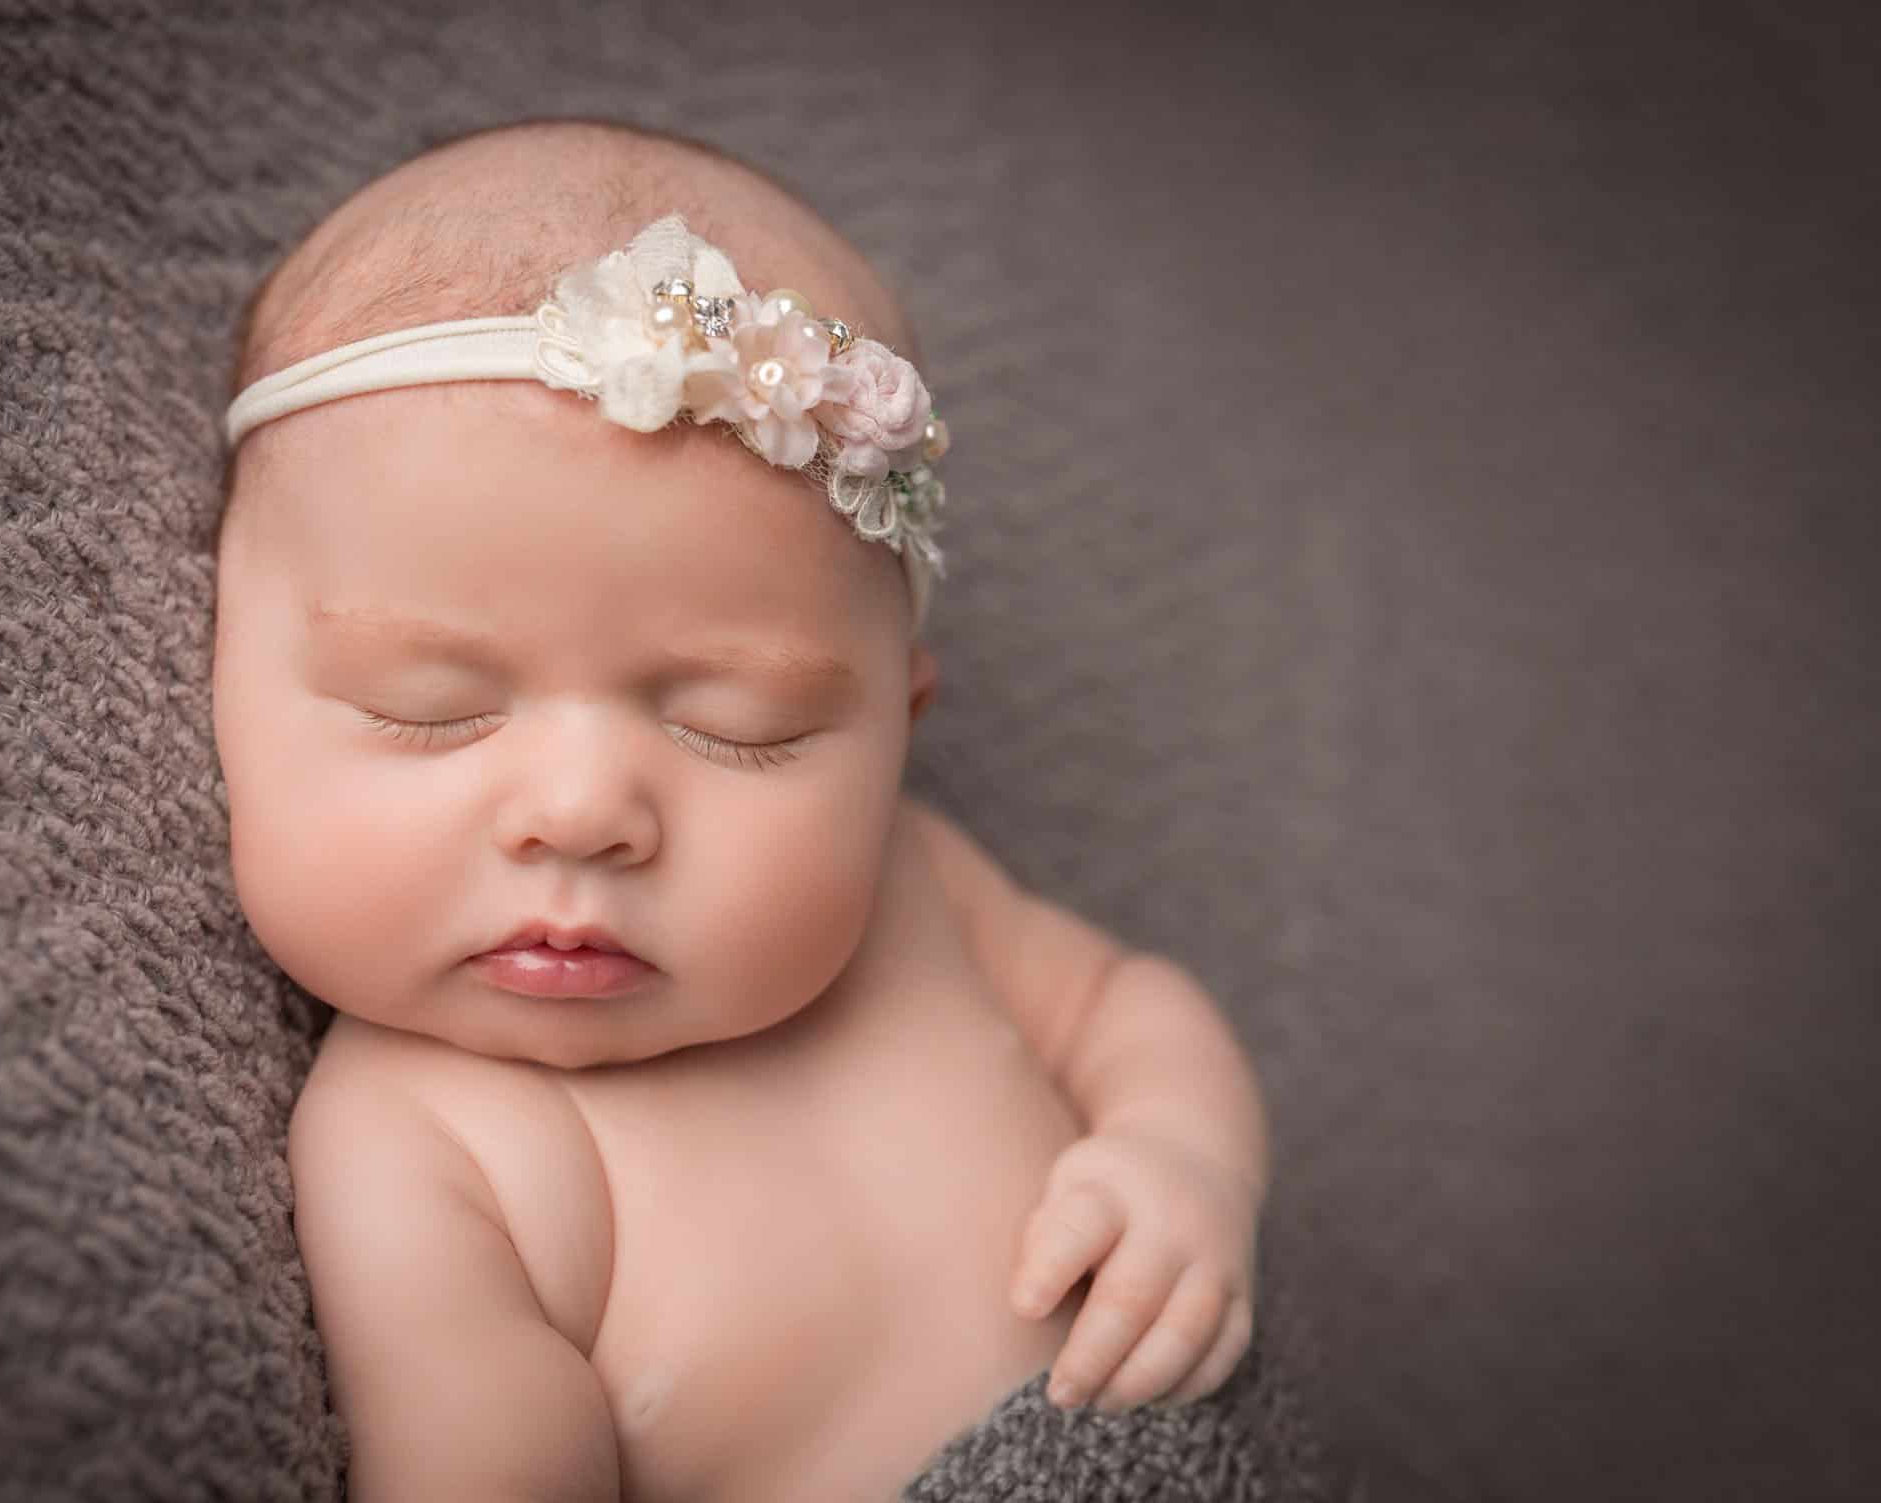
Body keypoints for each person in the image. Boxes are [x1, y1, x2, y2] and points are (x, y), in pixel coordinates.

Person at [211, 117, 1271, 1502]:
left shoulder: (916, 886)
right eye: (430, 703)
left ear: (898, 732)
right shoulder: (422, 1144)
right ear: (219, 676)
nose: (583, 813)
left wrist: (1185, 1157)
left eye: (742, 727)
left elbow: (1129, 1003)